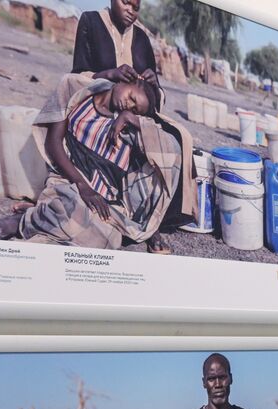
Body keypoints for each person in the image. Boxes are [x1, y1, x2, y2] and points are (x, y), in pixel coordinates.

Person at [0, 73, 189, 253]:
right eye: (132, 98)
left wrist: (132, 119)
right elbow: (54, 143)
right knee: (72, 207)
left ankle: (42, 215)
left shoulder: (127, 125)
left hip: (105, 200)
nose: (130, 106)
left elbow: (173, 147)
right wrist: (83, 186)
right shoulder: (78, 96)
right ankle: (21, 222)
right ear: (128, 81)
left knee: (110, 239)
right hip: (70, 181)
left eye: (136, 110)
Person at [70, 0, 195, 250]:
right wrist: (109, 75)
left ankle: (154, 219)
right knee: (131, 142)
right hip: (101, 106)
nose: (130, 10)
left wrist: (152, 83)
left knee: (178, 137)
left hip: (134, 109)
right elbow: (76, 77)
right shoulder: (91, 22)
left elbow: (152, 97)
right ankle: (136, 216)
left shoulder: (141, 38)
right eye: (125, 2)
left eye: (136, 7)